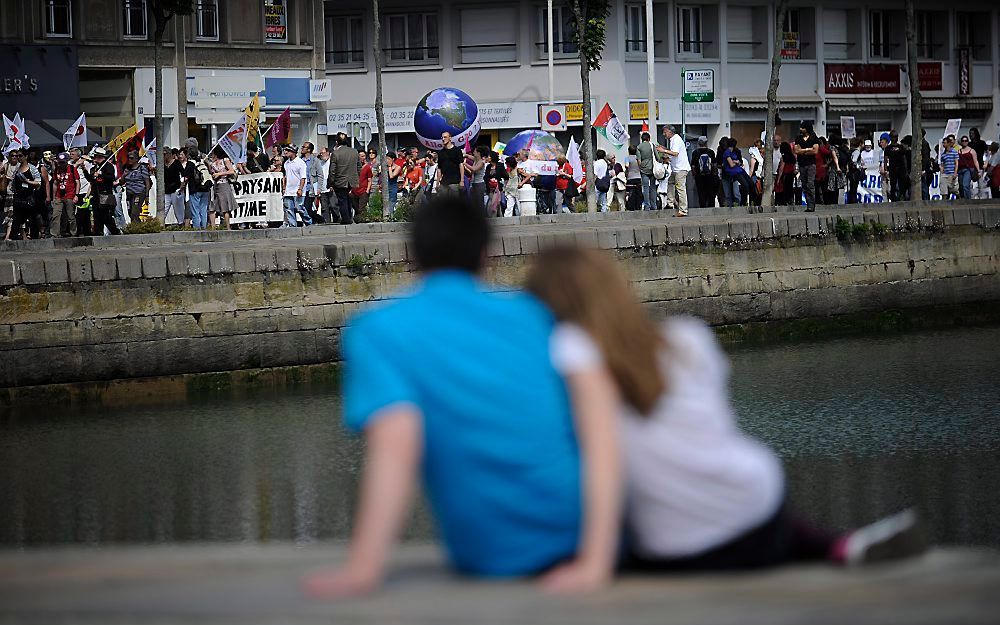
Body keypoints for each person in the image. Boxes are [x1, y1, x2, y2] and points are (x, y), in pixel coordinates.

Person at [525, 246, 926, 578]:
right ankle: (837, 544)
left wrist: (594, 564)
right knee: (750, 513)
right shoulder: (688, 337)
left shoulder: (573, 349)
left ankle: (830, 544)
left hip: (679, 550)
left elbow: (603, 458)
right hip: (759, 505)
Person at [304, 195, 590, 597]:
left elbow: (396, 445)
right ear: (487, 254)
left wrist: (362, 570)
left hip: (497, 551)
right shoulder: (535, 315)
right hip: (592, 530)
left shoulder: (377, 330)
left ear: (411, 252)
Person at [82, 147, 121, 235]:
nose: (94, 158)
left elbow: (111, 178)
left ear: (100, 156)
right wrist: (85, 171)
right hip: (96, 195)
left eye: (95, 156)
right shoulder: (95, 167)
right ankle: (98, 232)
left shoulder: (108, 166)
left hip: (105, 194)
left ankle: (115, 231)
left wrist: (101, 175)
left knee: (105, 215)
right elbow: (91, 180)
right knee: (96, 215)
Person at [7, 149, 43, 239]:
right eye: (17, 156)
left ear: (26, 156)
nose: (18, 158)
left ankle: (34, 237)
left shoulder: (32, 168)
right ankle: (13, 238)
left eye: (20, 156)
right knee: (16, 219)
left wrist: (27, 181)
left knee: (32, 218)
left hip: (29, 197)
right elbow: (13, 182)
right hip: (18, 197)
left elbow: (38, 182)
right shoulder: (17, 169)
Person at [656, 125, 691, 216]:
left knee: (680, 188)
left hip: (681, 169)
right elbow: (673, 151)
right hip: (675, 169)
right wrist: (664, 148)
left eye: (665, 132)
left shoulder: (676, 139)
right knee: (670, 183)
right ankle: (670, 203)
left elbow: (675, 153)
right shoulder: (673, 140)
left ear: (670, 132)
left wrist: (664, 151)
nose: (664, 134)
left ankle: (683, 210)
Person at [327, 133, 359, 225]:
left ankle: (346, 219)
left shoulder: (335, 153)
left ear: (337, 142)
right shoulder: (354, 151)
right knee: (347, 199)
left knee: (342, 200)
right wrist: (357, 178)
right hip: (351, 180)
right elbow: (359, 167)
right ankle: (349, 217)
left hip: (340, 180)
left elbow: (332, 170)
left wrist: (330, 182)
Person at [117, 151, 151, 225]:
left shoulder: (142, 168)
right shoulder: (127, 169)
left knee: (134, 213)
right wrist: (124, 175)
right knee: (130, 212)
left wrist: (147, 195)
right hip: (129, 193)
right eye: (128, 158)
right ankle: (137, 226)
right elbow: (121, 182)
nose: (129, 160)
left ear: (136, 159)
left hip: (138, 193)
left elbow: (147, 182)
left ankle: (136, 228)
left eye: (131, 158)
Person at [282, 144, 312, 227]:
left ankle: (308, 222)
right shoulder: (286, 163)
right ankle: (293, 226)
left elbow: (303, 177)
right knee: (289, 209)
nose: (286, 152)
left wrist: (300, 189)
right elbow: (285, 176)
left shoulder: (300, 163)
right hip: (288, 190)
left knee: (299, 208)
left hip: (297, 190)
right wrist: (284, 188)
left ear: (293, 152)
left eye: (288, 150)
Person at [50, 152, 79, 237]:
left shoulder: (72, 169)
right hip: (59, 195)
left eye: (63, 162)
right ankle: (54, 233)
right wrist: (53, 197)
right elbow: (55, 183)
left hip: (70, 195)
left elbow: (77, 182)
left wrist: (76, 195)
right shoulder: (57, 170)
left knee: (70, 216)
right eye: (60, 162)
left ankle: (73, 232)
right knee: (56, 215)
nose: (61, 164)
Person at [208, 148, 237, 229]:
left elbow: (231, 171)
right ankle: (213, 227)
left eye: (213, 154)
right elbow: (212, 173)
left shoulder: (225, 160)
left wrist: (220, 173)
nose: (212, 155)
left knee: (225, 208)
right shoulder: (212, 163)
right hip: (215, 185)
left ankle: (228, 227)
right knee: (212, 206)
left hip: (224, 184)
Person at [793, 122, 819, 211]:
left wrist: (803, 150)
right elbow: (796, 150)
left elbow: (815, 151)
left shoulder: (814, 137)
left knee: (810, 184)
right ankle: (809, 205)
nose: (801, 129)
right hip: (802, 164)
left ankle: (812, 204)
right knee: (804, 185)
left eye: (803, 128)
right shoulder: (798, 138)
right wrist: (808, 149)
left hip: (811, 164)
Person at [435, 132, 465, 197]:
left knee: (453, 204)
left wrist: (462, 180)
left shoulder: (457, 150)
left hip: (455, 182)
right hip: (444, 182)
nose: (443, 139)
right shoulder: (440, 152)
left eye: (445, 137)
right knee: (443, 203)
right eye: (442, 137)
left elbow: (461, 165)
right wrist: (437, 183)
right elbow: (439, 168)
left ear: (450, 138)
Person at [163, 148, 187, 226]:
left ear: (169, 154)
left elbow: (184, 174)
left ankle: (181, 224)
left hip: (176, 189)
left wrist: (182, 186)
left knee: (178, 210)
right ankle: (159, 224)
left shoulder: (176, 163)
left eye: (164, 154)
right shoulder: (162, 165)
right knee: (163, 209)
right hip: (166, 190)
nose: (163, 156)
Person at [691, 137, 717, 209]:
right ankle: (711, 206)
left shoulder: (695, 152)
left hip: (699, 176)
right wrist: (714, 174)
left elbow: (693, 165)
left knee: (701, 192)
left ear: (699, 143)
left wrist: (694, 174)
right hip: (709, 176)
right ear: (706, 143)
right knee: (710, 191)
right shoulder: (711, 152)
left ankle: (702, 206)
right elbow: (714, 164)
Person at [884, 132, 910, 202]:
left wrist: (906, 170)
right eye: (893, 136)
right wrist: (886, 170)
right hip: (892, 169)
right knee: (893, 186)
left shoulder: (901, 147)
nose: (894, 138)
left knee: (902, 186)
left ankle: (901, 198)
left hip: (901, 169)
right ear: (890, 137)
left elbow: (904, 159)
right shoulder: (888, 148)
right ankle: (893, 200)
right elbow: (885, 160)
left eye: (896, 136)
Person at [311, 147, 334, 223]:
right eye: (320, 153)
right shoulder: (320, 162)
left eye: (323, 153)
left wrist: (332, 185)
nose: (321, 154)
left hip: (330, 187)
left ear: (328, 153)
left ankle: (336, 220)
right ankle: (327, 222)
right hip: (322, 188)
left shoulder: (331, 161)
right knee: (324, 208)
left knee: (333, 206)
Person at [721, 138, 744, 208]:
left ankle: (730, 206)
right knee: (735, 193)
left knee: (728, 193)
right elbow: (738, 163)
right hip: (734, 173)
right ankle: (737, 205)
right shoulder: (732, 152)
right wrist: (736, 162)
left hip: (727, 174)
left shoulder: (724, 151)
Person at [956, 135, 981, 199]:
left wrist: (978, 171)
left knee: (965, 185)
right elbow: (956, 162)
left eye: (966, 140)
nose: (964, 142)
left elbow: (975, 161)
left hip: (968, 170)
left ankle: (968, 200)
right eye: (963, 141)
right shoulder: (958, 151)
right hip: (960, 170)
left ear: (968, 142)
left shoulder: (972, 151)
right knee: (961, 186)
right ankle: (963, 198)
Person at [636, 132, 655, 211]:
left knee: (646, 188)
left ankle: (647, 206)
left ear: (642, 139)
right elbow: (657, 157)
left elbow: (639, 161)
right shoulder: (652, 145)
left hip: (644, 169)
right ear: (648, 139)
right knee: (653, 187)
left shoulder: (639, 147)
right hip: (653, 168)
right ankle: (654, 205)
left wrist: (641, 167)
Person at [351, 149, 373, 221]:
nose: (362, 158)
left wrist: (367, 190)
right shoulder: (353, 167)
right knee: (356, 208)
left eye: (364, 156)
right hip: (354, 191)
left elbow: (369, 180)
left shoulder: (367, 167)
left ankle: (361, 220)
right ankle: (358, 219)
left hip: (363, 191)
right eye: (361, 156)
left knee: (361, 208)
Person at [774, 142, 797, 206]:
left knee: (784, 189)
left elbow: (781, 168)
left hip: (785, 175)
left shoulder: (783, 157)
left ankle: (784, 201)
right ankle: (790, 200)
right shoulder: (793, 157)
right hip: (791, 175)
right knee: (790, 188)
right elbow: (794, 167)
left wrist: (778, 178)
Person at [469, 146, 489, 212]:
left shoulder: (481, 162)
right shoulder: (476, 159)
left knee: (479, 203)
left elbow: (474, 169)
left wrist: (464, 163)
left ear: (478, 153)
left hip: (479, 184)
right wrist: (464, 155)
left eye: (475, 151)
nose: (473, 152)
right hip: (474, 184)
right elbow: (469, 156)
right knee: (474, 202)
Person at [625, 145, 643, 211]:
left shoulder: (627, 158)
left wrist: (626, 172)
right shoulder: (638, 158)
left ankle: (631, 206)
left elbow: (627, 166)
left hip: (630, 177)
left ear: (629, 151)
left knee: (630, 193)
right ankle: (638, 206)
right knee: (638, 193)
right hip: (638, 177)